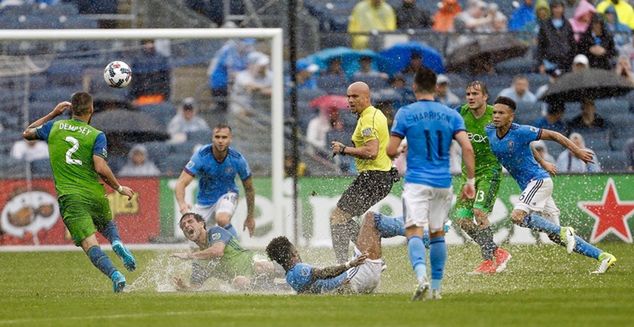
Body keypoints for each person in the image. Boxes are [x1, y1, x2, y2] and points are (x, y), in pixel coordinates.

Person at [486, 96, 616, 274]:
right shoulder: (489, 131)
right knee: (556, 237)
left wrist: (577, 151)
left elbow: (554, 135)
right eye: (494, 112)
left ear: (511, 117)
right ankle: (603, 256)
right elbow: (528, 146)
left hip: (538, 181)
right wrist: (544, 162)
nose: (496, 116)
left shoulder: (521, 130)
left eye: (501, 113)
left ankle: (564, 230)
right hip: (532, 184)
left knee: (518, 216)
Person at [22, 93, 136, 292]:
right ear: (91, 110)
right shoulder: (96, 134)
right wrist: (118, 187)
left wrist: (53, 113)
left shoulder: (54, 127)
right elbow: (100, 167)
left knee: (89, 244)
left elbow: (27, 132)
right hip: (94, 193)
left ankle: (116, 275)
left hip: (70, 197)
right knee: (106, 224)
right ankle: (116, 242)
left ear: (71, 109)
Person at [386, 67, 476, 300]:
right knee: (437, 234)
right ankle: (436, 288)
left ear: (414, 86)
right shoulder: (451, 114)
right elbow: (467, 147)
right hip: (443, 182)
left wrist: (401, 150)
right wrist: (470, 181)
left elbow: (390, 150)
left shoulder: (405, 113)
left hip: (416, 182)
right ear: (436, 88)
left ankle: (421, 277)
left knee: (414, 232)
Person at [329, 81, 398, 264]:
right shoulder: (373, 115)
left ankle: (343, 267)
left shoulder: (368, 118)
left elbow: (371, 151)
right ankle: (371, 256)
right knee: (341, 218)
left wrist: (344, 149)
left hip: (374, 177)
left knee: (338, 217)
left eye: (355, 96)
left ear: (367, 98)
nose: (350, 100)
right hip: (379, 177)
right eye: (348, 96)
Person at [450, 81, 512, 275]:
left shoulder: (496, 114)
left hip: (489, 172)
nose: (470, 97)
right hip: (467, 175)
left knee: (479, 212)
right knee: (462, 221)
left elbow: (518, 134)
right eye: (468, 93)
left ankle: (488, 260)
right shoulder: (460, 113)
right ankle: (497, 252)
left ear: (485, 97)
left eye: (475, 93)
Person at [267, 210, 399, 294]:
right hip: (357, 277)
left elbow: (311, 291)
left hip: (355, 284)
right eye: (295, 250)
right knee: (371, 218)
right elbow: (323, 273)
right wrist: (349, 264)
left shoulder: (290, 278)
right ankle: (414, 230)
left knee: (370, 231)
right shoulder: (299, 269)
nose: (298, 252)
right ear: (293, 254)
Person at [174, 123, 255, 238]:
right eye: (217, 137)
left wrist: (250, 216)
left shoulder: (238, 159)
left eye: (224, 137)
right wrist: (182, 205)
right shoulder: (201, 156)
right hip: (204, 201)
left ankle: (238, 250)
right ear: (212, 138)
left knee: (222, 219)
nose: (220, 141)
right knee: (197, 239)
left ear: (230, 139)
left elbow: (249, 188)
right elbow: (181, 182)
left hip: (228, 194)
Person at [171, 213, 281, 291]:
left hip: (253, 261)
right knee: (239, 283)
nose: (186, 226)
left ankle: (292, 269)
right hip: (246, 279)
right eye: (183, 226)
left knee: (261, 266)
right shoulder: (198, 262)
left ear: (201, 224)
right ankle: (279, 288)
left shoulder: (215, 232)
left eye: (190, 221)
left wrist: (188, 255)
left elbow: (217, 251)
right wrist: (184, 287)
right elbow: (195, 287)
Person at [207, 39, 255, 113]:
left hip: (228, 85)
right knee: (223, 109)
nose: (248, 48)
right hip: (220, 84)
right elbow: (231, 70)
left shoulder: (241, 54)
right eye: (246, 45)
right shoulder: (229, 50)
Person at [536, 0, 576, 73]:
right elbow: (540, 47)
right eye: (555, 7)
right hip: (549, 64)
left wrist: (572, 61)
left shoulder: (568, 25)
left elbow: (572, 44)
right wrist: (541, 64)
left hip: (565, 64)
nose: (557, 10)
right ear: (551, 9)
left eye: (559, 7)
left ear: (563, 9)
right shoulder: (544, 25)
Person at [129, 39, 171, 106]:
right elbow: (134, 81)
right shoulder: (137, 59)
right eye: (146, 43)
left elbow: (166, 80)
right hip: (141, 99)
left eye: (151, 43)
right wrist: (133, 98)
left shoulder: (161, 59)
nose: (149, 45)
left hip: (158, 98)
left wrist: (165, 97)